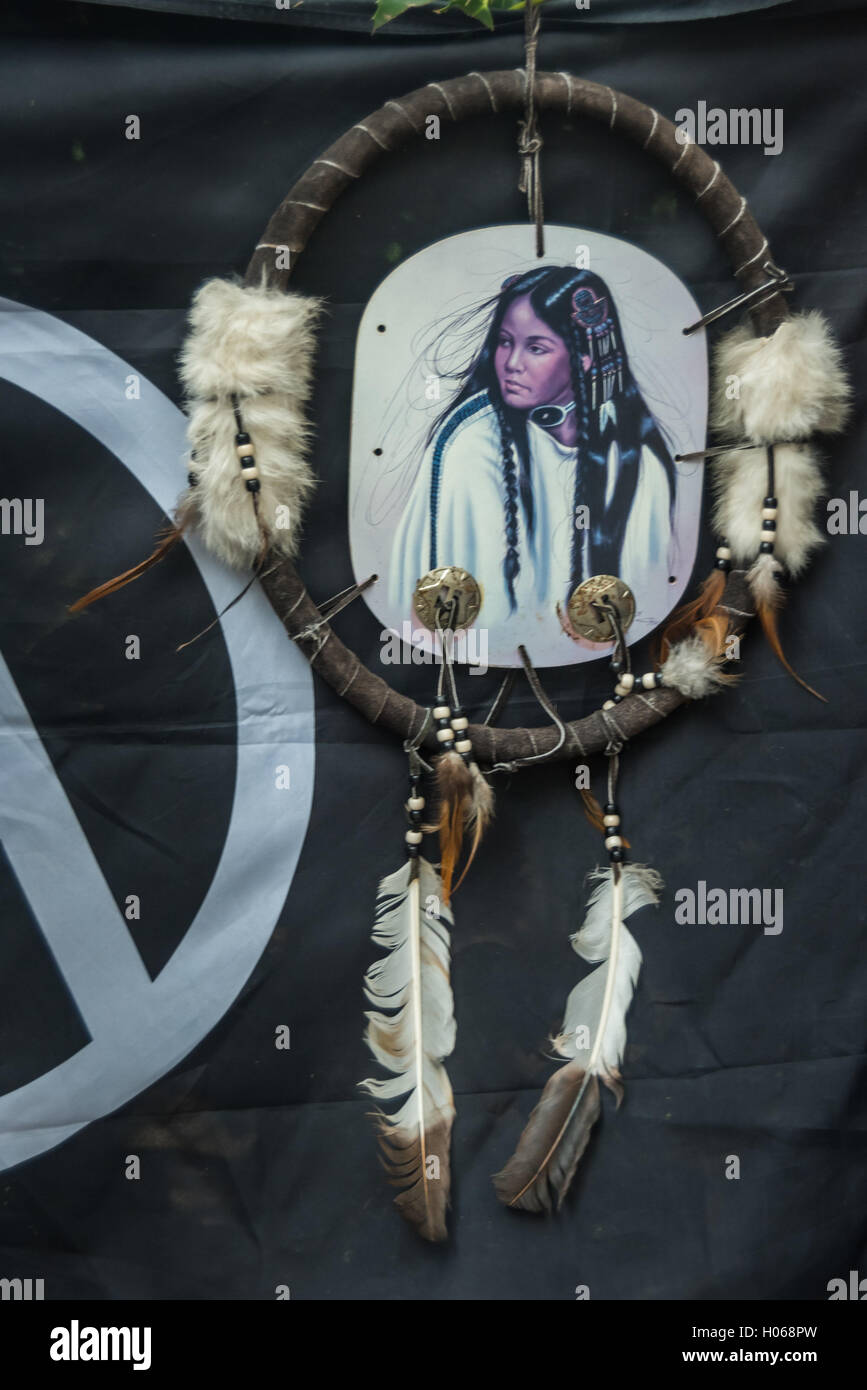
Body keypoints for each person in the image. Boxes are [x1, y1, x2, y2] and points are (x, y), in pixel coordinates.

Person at [388, 265, 678, 636]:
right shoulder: (473, 444)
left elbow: (648, 595)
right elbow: (475, 625)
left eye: (536, 348)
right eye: (505, 341)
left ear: (585, 358)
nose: (511, 363)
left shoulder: (636, 460)